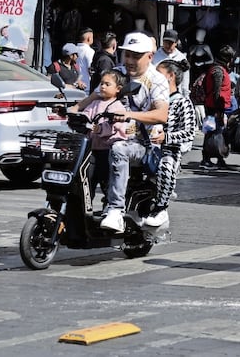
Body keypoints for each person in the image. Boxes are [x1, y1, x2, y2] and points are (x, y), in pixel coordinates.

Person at [89, 31, 170, 233]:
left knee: (119, 149)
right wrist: (71, 109)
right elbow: (94, 97)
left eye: (136, 56)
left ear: (150, 56)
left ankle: (115, 209)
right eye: (127, 55)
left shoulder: (157, 80)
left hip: (141, 143)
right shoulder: (117, 73)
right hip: (107, 135)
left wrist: (130, 115)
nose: (130, 60)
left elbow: (161, 114)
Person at [142, 59, 198, 227]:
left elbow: (189, 132)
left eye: (159, 73)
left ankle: (161, 207)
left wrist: (166, 137)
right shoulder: (152, 98)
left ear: (171, 76)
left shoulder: (182, 102)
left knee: (166, 165)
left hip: (169, 151)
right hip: (146, 148)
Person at [81, 69, 128, 206]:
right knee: (88, 180)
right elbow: (86, 116)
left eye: (107, 84)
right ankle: (84, 207)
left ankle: (109, 207)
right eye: (101, 83)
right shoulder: (95, 103)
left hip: (108, 151)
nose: (103, 87)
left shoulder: (117, 106)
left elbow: (118, 126)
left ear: (118, 88)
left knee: (108, 183)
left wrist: (101, 129)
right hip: (92, 150)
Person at [199, 44, 234, 170]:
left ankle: (218, 158)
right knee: (212, 132)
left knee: (217, 132)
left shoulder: (215, 68)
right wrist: (218, 110)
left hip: (214, 106)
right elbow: (216, 92)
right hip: (215, 107)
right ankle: (206, 159)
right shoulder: (218, 71)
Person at [153, 29, 189, 97]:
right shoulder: (155, 56)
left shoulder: (181, 58)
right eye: (166, 42)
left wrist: (186, 96)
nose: (168, 45)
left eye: (171, 42)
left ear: (176, 43)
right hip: (158, 94)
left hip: (176, 94)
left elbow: (185, 79)